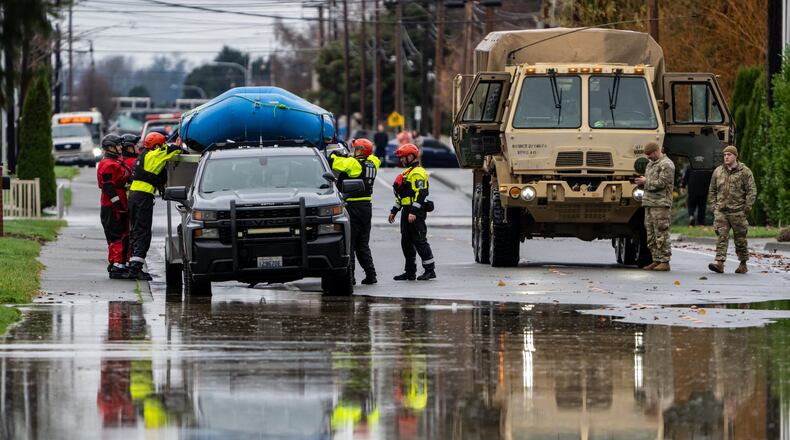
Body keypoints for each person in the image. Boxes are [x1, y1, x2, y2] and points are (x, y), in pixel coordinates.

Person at [127, 132, 182, 280]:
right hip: (143, 197)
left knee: (136, 230)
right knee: (143, 232)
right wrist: (177, 144)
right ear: (156, 145)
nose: (163, 146)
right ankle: (136, 268)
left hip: (133, 195)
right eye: (161, 144)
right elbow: (173, 150)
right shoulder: (155, 155)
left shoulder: (144, 155)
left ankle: (132, 263)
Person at [328, 138, 381, 285]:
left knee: (349, 244)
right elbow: (371, 157)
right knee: (363, 244)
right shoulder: (374, 162)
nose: (354, 151)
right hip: (366, 207)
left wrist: (335, 154)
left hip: (352, 207)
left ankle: (350, 277)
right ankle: (371, 275)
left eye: (356, 149)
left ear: (362, 151)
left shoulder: (353, 164)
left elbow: (333, 161)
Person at [388, 143, 435, 281]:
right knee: (406, 243)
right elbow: (403, 196)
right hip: (406, 212)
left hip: (416, 213)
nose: (401, 160)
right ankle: (410, 272)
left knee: (420, 241)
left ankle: (430, 271)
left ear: (411, 156)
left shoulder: (418, 173)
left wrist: (414, 211)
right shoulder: (406, 172)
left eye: (403, 157)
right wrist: (394, 210)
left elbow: (421, 194)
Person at [707, 145, 757, 274]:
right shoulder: (718, 171)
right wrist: (714, 206)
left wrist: (747, 206)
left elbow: (751, 190)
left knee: (740, 239)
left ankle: (743, 263)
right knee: (721, 237)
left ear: (735, 156)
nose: (726, 157)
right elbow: (712, 190)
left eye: (729, 154)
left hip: (738, 212)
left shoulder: (744, 172)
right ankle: (720, 263)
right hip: (721, 211)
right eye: (724, 155)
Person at [635, 141, 675, 271]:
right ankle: (656, 259)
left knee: (661, 232)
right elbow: (650, 182)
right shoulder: (651, 164)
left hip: (661, 204)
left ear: (656, 151)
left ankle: (665, 261)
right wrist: (641, 183)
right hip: (649, 203)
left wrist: (646, 182)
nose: (648, 158)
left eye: (650, 155)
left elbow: (662, 183)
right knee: (651, 233)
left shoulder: (667, 165)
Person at [97, 134, 131, 279]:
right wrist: (118, 205)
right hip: (112, 207)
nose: (120, 148)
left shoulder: (115, 162)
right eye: (118, 145)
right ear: (111, 147)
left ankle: (116, 263)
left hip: (114, 205)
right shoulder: (107, 165)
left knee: (117, 235)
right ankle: (118, 265)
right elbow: (108, 187)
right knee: (118, 236)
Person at [119, 133, 141, 263]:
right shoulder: (133, 162)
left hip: (125, 200)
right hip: (132, 200)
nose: (138, 148)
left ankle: (125, 258)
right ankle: (131, 259)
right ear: (129, 148)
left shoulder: (121, 161)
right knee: (135, 231)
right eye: (136, 146)